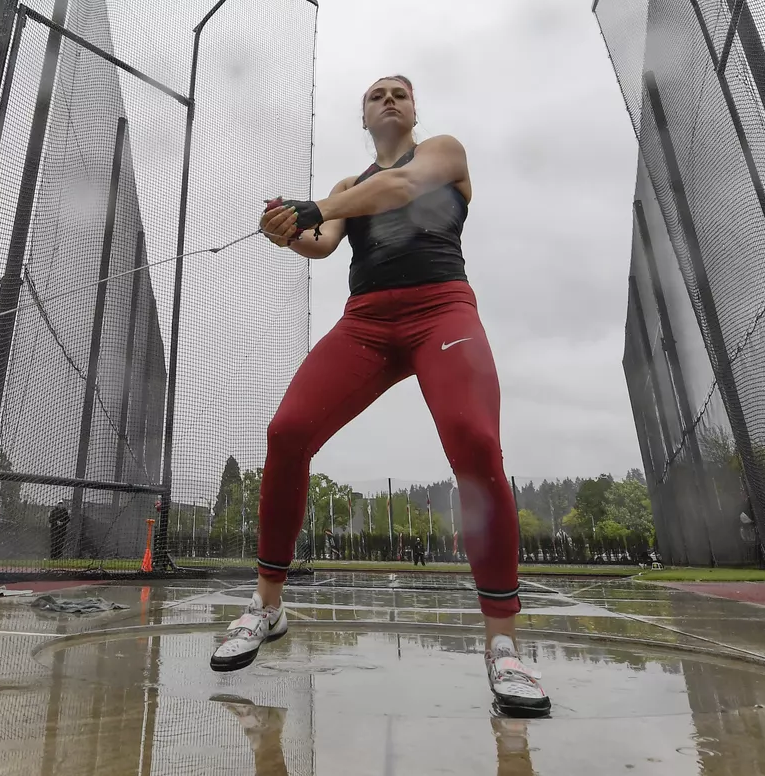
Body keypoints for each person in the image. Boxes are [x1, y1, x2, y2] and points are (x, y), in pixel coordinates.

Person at [209, 75, 549, 715]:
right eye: (376, 95)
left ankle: (503, 647)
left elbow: (397, 189)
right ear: (363, 116)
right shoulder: (345, 188)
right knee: (286, 434)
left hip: (441, 310)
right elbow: (323, 243)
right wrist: (285, 230)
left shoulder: (444, 151)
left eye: (400, 92)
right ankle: (267, 606)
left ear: (415, 109)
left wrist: (319, 208)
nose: (390, 99)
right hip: (365, 321)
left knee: (476, 445)